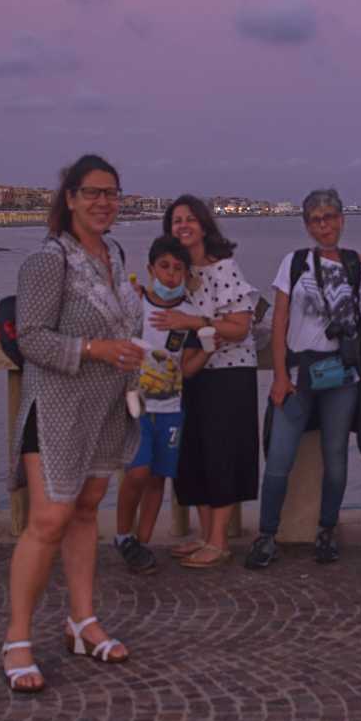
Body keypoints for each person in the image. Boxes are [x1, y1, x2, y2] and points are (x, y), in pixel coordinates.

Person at [0, 155, 145, 695]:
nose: (104, 202)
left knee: (86, 511)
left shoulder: (116, 254)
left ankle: (82, 621)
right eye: (92, 193)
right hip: (57, 407)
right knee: (50, 519)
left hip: (105, 405)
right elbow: (29, 337)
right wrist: (93, 347)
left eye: (112, 193)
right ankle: (17, 637)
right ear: (70, 198)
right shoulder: (47, 261)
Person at [247, 189, 361, 569]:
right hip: (296, 376)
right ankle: (266, 534)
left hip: (340, 377)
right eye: (316, 219)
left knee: (336, 458)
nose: (324, 225)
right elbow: (278, 321)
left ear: (342, 219)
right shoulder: (293, 264)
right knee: (279, 458)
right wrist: (279, 375)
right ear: (307, 225)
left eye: (330, 216)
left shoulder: (359, 266)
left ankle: (326, 529)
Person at [161, 196, 257, 569]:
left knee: (222, 455)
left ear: (203, 226)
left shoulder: (224, 269)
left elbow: (240, 326)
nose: (182, 225)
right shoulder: (177, 277)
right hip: (192, 374)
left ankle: (219, 541)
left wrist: (195, 324)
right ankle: (204, 535)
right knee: (194, 455)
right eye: (176, 221)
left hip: (229, 375)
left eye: (189, 219)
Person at [111, 237, 211, 574]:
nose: (170, 276)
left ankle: (142, 542)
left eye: (178, 269)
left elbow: (186, 368)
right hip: (135, 406)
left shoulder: (190, 314)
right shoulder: (135, 306)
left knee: (157, 478)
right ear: (151, 268)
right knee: (136, 472)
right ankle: (123, 535)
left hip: (172, 409)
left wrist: (208, 348)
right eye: (164, 267)